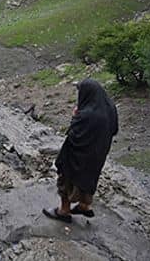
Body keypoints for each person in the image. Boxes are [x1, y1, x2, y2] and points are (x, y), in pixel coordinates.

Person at [44, 79, 118, 223]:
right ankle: (84, 206)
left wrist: (75, 116)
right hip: (99, 153)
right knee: (89, 179)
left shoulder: (86, 114)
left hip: (78, 154)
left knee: (65, 177)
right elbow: (114, 130)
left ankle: (64, 211)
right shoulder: (110, 108)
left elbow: (74, 134)